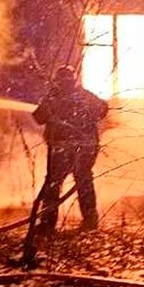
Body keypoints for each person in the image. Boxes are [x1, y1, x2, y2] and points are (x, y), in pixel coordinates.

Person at [32, 65, 108, 234]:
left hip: (62, 149)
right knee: (84, 181)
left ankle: (47, 223)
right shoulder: (84, 95)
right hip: (85, 147)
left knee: (53, 183)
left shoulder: (53, 97)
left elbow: (38, 118)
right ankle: (90, 219)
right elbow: (103, 109)